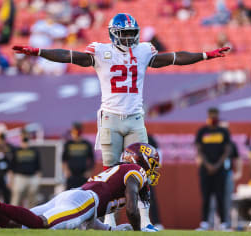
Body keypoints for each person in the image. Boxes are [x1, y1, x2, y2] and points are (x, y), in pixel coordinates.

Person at [13, 13, 230, 230]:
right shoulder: (101, 51)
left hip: (135, 118)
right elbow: (70, 56)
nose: (128, 38)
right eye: (124, 34)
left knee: (142, 171)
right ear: (113, 34)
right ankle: (109, 221)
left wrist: (204, 55)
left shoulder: (144, 50)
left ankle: (145, 221)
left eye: (131, 33)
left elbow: (173, 58)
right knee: (111, 171)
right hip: (110, 118)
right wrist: (40, 52)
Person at [0, 143, 161, 232]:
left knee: (15, 225)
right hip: (85, 200)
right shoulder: (135, 171)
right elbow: (132, 207)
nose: (152, 170)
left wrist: (111, 230)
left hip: (78, 197)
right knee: (42, 225)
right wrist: (138, 231)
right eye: (152, 164)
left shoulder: (117, 172)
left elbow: (88, 217)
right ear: (142, 161)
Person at [195, 107, 231, 230]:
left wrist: (217, 165)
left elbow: (227, 150)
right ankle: (204, 222)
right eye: (211, 115)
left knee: (220, 196)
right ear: (208, 116)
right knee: (206, 196)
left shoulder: (223, 132)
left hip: (220, 170)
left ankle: (223, 222)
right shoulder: (202, 131)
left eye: (215, 115)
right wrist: (208, 165)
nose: (213, 118)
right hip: (205, 169)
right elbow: (199, 150)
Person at [8, 133, 42, 208]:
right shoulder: (16, 150)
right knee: (16, 198)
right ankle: (13, 216)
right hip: (19, 177)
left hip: (32, 177)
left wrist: (38, 180)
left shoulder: (34, 150)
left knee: (32, 198)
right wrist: (10, 180)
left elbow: (38, 167)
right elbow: (11, 167)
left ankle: (31, 214)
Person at [62, 123, 95, 189]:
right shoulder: (68, 144)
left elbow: (92, 159)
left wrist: (89, 171)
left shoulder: (86, 144)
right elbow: (64, 159)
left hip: (83, 175)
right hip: (71, 175)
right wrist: (66, 171)